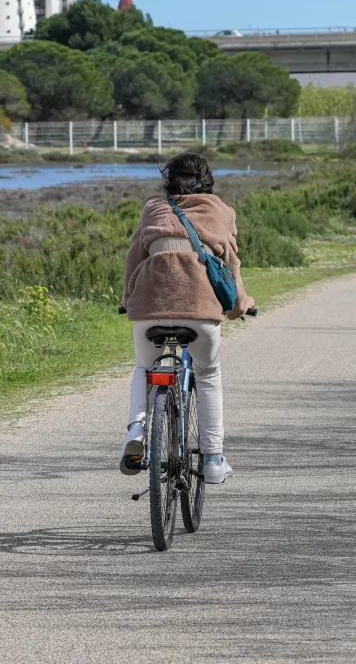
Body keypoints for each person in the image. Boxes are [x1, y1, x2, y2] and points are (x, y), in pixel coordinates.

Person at [119, 151, 254, 482]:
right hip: (200, 307)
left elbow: (133, 259)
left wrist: (127, 300)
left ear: (169, 180)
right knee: (207, 374)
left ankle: (137, 428)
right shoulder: (220, 211)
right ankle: (212, 459)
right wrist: (240, 306)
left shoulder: (153, 208)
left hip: (149, 304)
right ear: (206, 180)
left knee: (144, 367)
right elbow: (231, 267)